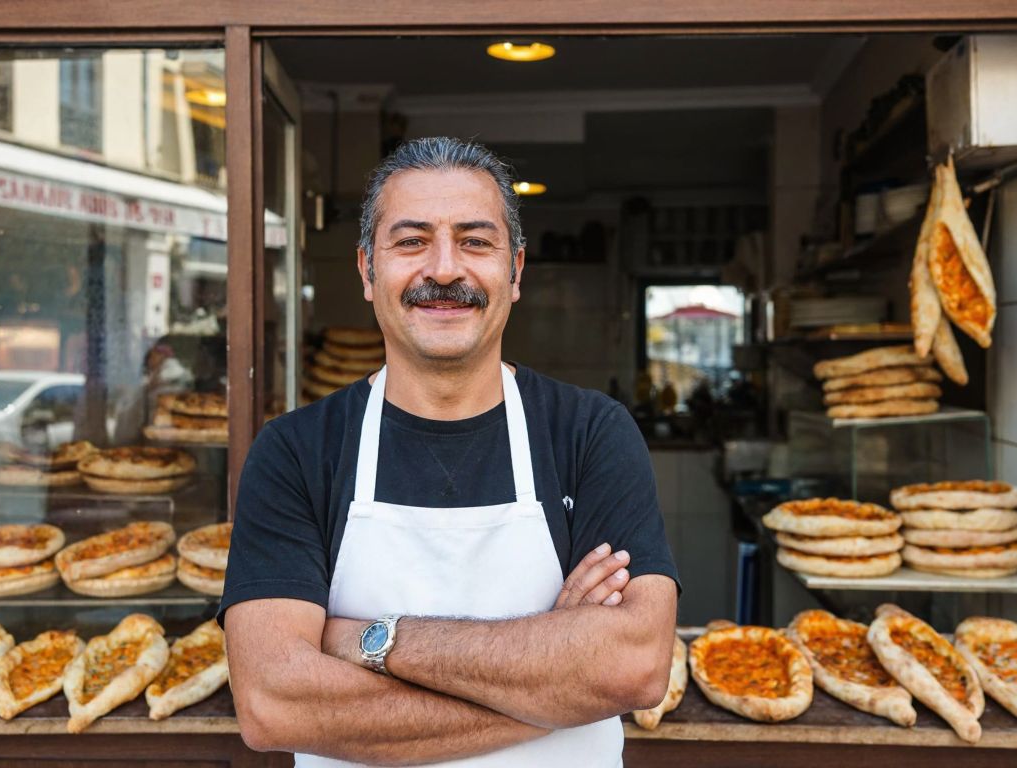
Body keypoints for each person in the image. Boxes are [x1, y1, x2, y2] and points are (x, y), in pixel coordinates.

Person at [221, 137, 680, 767]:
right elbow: (276, 704)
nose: (443, 270)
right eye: (411, 241)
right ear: (366, 270)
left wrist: (374, 641)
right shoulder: (296, 452)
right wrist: (556, 684)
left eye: (475, 241)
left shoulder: (588, 433)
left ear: (515, 271)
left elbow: (634, 666)